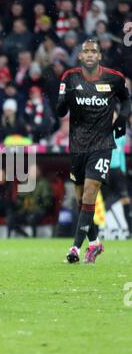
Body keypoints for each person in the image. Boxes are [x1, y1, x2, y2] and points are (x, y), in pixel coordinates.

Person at [56, 39, 131, 263]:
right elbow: (60, 112)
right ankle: (96, 243)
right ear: (80, 56)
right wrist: (65, 98)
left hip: (102, 144)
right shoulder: (69, 77)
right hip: (78, 146)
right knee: (81, 200)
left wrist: (123, 118)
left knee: (90, 193)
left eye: (94, 51)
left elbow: (127, 100)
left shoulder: (114, 78)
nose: (89, 54)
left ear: (99, 56)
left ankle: (75, 249)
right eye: (86, 51)